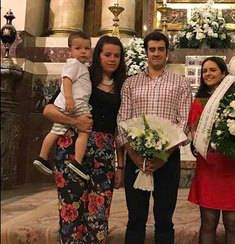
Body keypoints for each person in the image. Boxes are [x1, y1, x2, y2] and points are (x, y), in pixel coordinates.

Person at [43, 35, 126, 244]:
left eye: (117, 55)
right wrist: (75, 122)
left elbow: (120, 129)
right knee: (71, 209)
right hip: (73, 149)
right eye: (107, 54)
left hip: (105, 154)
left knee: (99, 213)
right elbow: (48, 110)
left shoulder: (124, 85)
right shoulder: (81, 74)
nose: (112, 59)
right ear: (97, 55)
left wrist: (120, 166)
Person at [116, 31, 192, 244]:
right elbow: (123, 120)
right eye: (152, 49)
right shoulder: (131, 83)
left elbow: (183, 122)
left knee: (164, 218)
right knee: (135, 219)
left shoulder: (181, 83)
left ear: (167, 53)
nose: (156, 53)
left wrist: (163, 155)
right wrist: (135, 156)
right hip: (135, 159)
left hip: (167, 159)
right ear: (146, 52)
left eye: (160, 49)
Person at [188, 57, 235, 244]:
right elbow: (194, 133)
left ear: (224, 74)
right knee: (208, 222)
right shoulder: (199, 102)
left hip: (234, 166)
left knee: (233, 223)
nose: (208, 74)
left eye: (213, 70)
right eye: (205, 71)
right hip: (209, 166)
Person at [33, 31, 92, 180]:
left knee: (56, 131)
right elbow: (66, 81)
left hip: (68, 104)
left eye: (87, 48)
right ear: (70, 51)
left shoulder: (81, 66)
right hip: (77, 104)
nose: (83, 51)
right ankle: (78, 162)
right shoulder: (74, 64)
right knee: (84, 130)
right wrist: (69, 99)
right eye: (78, 48)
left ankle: (42, 157)